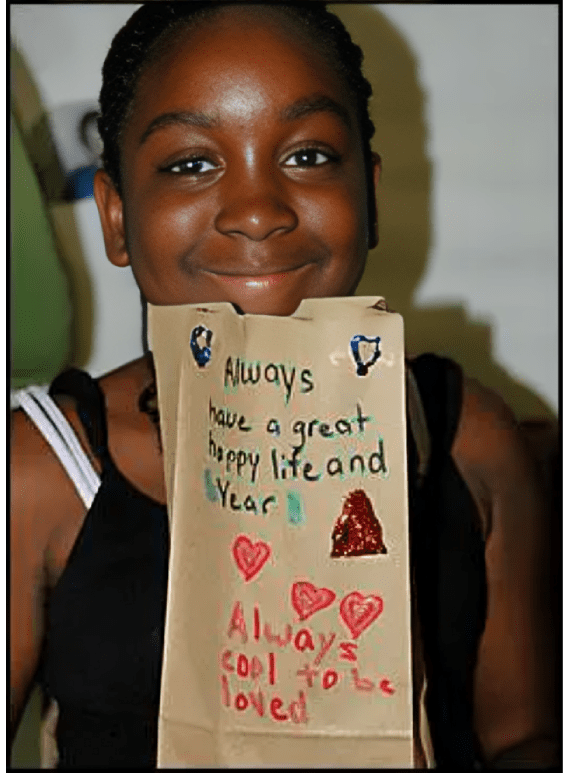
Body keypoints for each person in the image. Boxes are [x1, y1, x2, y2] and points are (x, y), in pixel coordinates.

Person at [10, 2, 558, 768]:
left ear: (369, 197)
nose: (259, 211)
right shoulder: (45, 470)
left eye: (307, 155)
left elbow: (524, 735)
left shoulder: (467, 438)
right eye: (192, 163)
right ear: (115, 216)